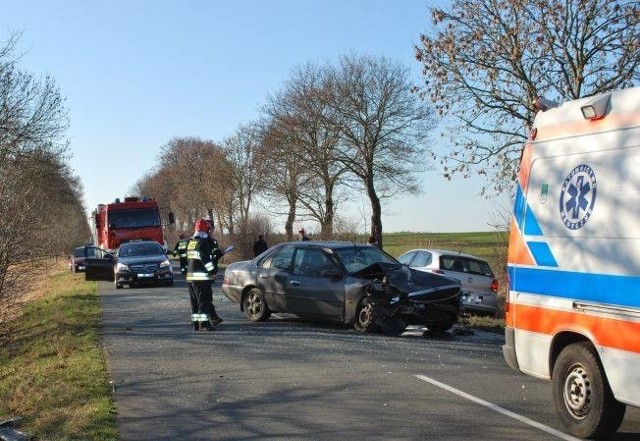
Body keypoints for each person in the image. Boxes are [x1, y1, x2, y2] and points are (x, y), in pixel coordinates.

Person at [186, 219, 225, 331]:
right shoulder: (203, 243)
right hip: (201, 279)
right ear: (206, 230)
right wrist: (213, 272)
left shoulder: (191, 242)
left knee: (194, 301)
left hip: (191, 278)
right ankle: (205, 324)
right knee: (204, 301)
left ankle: (195, 324)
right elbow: (206, 262)